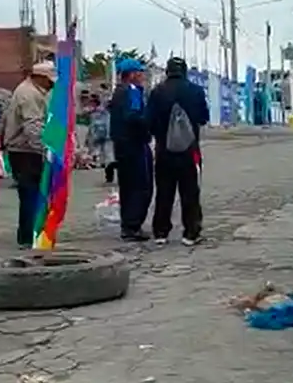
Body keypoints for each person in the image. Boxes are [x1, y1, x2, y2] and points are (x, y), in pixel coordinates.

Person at [147, 57, 210, 246]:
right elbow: (203, 117)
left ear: (167, 71)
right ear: (184, 71)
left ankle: (160, 232)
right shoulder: (196, 91)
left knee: (164, 191)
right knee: (190, 191)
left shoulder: (157, 91)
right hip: (190, 150)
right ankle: (191, 232)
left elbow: (148, 120)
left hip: (164, 150)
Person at [2, 61, 55, 248]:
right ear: (39, 78)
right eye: (49, 81)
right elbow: (32, 126)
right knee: (31, 194)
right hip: (26, 151)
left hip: (24, 150)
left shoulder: (29, 91)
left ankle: (31, 234)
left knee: (31, 194)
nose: (51, 85)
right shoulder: (29, 94)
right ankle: (29, 236)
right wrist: (45, 149)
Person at [110, 58, 153, 242]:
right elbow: (134, 117)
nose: (143, 76)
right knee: (140, 186)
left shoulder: (117, 92)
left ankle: (128, 224)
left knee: (127, 186)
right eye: (140, 72)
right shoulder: (133, 92)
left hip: (121, 144)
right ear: (133, 74)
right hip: (135, 144)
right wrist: (149, 124)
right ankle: (133, 225)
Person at [86, 94, 116, 183]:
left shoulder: (100, 114)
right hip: (108, 138)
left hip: (107, 138)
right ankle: (109, 175)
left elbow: (95, 127)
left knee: (108, 158)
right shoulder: (104, 114)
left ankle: (109, 176)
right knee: (109, 157)